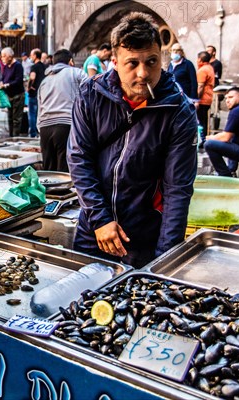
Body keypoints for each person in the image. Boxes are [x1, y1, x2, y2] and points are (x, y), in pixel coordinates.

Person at [68, 12, 197, 268]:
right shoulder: (91, 94)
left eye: (151, 61)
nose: (143, 73)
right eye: (132, 63)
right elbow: (79, 158)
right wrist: (100, 220)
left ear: (162, 58)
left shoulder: (178, 111)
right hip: (94, 228)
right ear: (114, 62)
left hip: (143, 234)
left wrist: (166, 257)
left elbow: (177, 189)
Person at [37, 49, 87, 172]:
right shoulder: (77, 73)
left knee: (48, 171)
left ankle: (48, 192)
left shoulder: (44, 81)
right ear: (70, 61)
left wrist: (40, 130)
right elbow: (90, 95)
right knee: (64, 171)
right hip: (66, 125)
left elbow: (40, 108)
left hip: (45, 128)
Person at [0, 47, 24, 137]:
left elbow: (18, 80)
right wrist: (1, 83)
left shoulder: (17, 66)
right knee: (10, 118)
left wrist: (7, 85)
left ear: (10, 56)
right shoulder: (5, 67)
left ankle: (15, 138)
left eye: (4, 56)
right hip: (9, 95)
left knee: (16, 119)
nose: (2, 58)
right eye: (2, 56)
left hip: (17, 95)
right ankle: (10, 137)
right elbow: (3, 79)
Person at [196, 50, 215, 146]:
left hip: (203, 99)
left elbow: (200, 86)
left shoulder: (202, 70)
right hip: (208, 98)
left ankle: (202, 139)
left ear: (200, 59)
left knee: (200, 120)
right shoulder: (210, 68)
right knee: (203, 119)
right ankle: (204, 139)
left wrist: (197, 99)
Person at [27, 48, 45, 138]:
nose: (30, 57)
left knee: (32, 114)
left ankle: (33, 133)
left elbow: (32, 77)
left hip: (33, 93)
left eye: (31, 55)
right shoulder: (44, 66)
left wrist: (29, 87)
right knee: (40, 114)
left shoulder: (34, 67)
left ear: (35, 56)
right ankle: (40, 132)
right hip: (42, 93)